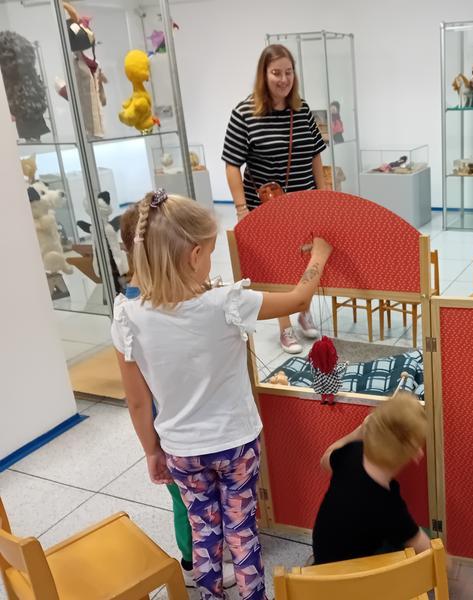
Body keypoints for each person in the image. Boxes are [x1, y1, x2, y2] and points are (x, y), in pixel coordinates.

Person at [112, 190, 332, 599]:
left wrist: (151, 451)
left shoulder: (128, 316)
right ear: (194, 255)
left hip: (181, 449)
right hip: (235, 444)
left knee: (204, 535)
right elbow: (300, 299)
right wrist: (319, 254)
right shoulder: (226, 303)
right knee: (242, 533)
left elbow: (138, 400)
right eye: (211, 252)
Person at [118, 204, 236, 590]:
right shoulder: (136, 311)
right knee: (187, 503)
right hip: (176, 431)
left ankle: (208, 552)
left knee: (196, 501)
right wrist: (152, 449)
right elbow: (138, 399)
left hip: (179, 429)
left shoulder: (140, 303)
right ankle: (192, 562)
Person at [222, 43, 328, 355]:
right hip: (267, 208)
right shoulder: (244, 113)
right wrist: (241, 209)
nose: (283, 79)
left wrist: (324, 198)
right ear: (264, 75)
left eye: (288, 72)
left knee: (305, 260)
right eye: (276, 73)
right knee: (278, 267)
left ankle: (303, 309)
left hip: (305, 203)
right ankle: (285, 327)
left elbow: (315, 156)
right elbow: (231, 164)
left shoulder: (302, 109)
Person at [312, 392, 431, 565]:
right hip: (354, 576)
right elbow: (425, 548)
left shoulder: (351, 453)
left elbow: (325, 459)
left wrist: (360, 431)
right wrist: (450, 565)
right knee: (415, 538)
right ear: (415, 453)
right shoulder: (390, 505)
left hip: (322, 561)